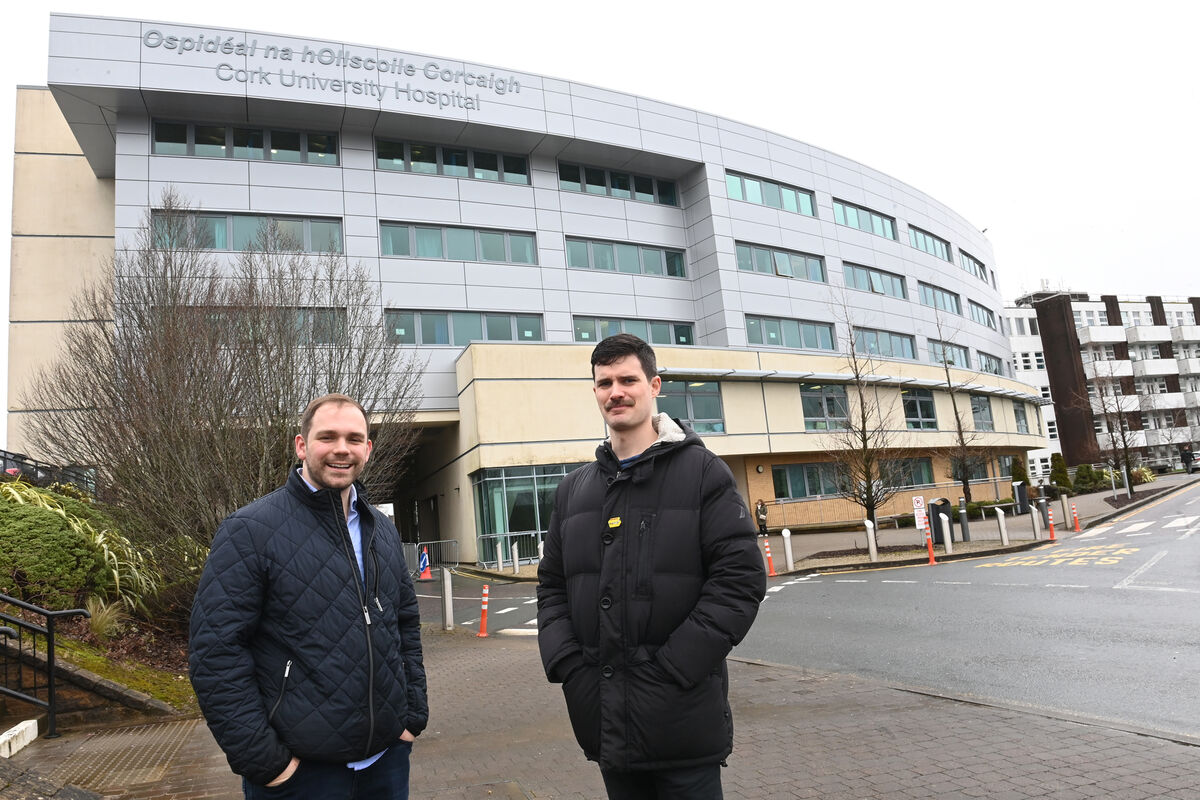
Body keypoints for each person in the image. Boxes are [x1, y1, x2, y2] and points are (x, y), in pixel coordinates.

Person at [537, 334, 766, 799]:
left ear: (654, 385)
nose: (615, 391)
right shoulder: (573, 490)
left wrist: (673, 669)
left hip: (682, 722)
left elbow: (739, 582)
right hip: (605, 723)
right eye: (604, 382)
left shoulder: (703, 473)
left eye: (628, 379)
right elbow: (552, 587)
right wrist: (570, 667)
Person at [190, 393, 427, 799]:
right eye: (327, 436)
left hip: (386, 764)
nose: (341, 449)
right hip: (299, 777)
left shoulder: (382, 530)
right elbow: (216, 654)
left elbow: (404, 623)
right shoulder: (250, 530)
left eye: (354, 439)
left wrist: (413, 716)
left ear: (367, 449)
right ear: (302, 445)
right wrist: (267, 763)